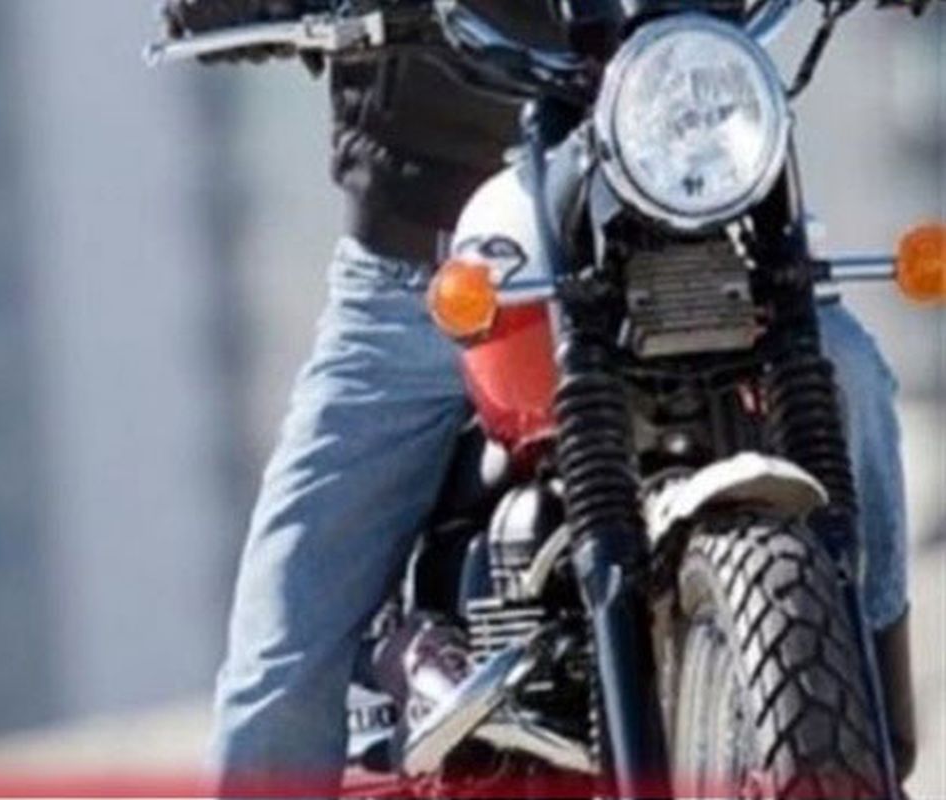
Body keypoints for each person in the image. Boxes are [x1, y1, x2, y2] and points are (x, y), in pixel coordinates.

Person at [160, 0, 914, 794]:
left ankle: (868, 734)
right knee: (283, 657)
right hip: (427, 285)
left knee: (851, 380)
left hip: (684, 245)